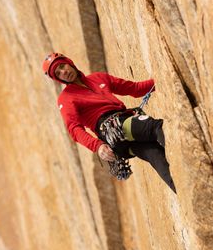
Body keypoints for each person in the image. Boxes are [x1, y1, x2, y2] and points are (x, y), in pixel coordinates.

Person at [42, 53, 176, 192]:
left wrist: (160, 79)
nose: (64, 72)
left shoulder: (98, 78)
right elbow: (74, 129)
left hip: (121, 131)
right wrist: (97, 146)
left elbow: (135, 89)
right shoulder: (66, 99)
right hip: (112, 129)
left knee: (154, 153)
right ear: (59, 79)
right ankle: (180, 144)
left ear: (69, 62)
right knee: (153, 126)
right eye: (58, 73)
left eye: (62, 66)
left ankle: (181, 187)